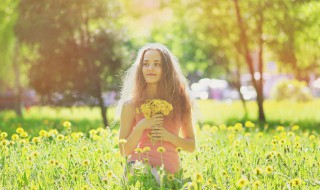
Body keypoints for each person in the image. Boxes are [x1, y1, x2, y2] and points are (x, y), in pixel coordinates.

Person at [117, 43, 196, 180]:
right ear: (140, 68)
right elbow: (124, 150)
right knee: (147, 176)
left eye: (157, 64)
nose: (150, 68)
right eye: (146, 64)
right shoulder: (130, 105)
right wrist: (142, 125)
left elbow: (191, 146)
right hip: (138, 167)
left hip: (170, 173)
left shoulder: (181, 101)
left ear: (166, 69)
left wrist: (169, 137)